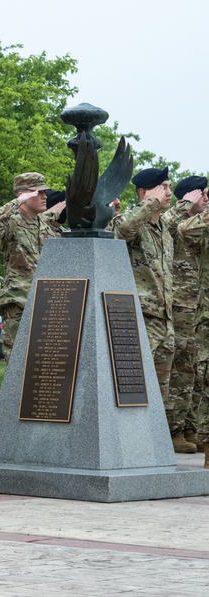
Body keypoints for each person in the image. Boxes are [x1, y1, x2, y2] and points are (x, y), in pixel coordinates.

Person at [111, 167, 177, 445]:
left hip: (165, 318)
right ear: (144, 192)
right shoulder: (132, 222)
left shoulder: (164, 229)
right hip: (139, 317)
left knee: (160, 389)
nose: (168, 192)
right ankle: (126, 442)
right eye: (163, 186)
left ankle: (152, 444)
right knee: (133, 385)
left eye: (169, 186)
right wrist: (149, 202)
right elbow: (123, 230)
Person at [0, 172, 59, 361]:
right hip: (19, 302)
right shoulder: (11, 223)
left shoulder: (47, 228)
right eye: (38, 192)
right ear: (23, 195)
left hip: (46, 304)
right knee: (19, 362)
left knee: (43, 364)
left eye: (45, 192)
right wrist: (16, 202)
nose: (44, 196)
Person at [164, 177, 208, 453]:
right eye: (201, 194)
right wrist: (187, 204)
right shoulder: (181, 225)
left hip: (197, 307)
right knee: (181, 370)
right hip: (181, 306)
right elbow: (178, 226)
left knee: (193, 370)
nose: (205, 198)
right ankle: (174, 429)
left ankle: (189, 425)